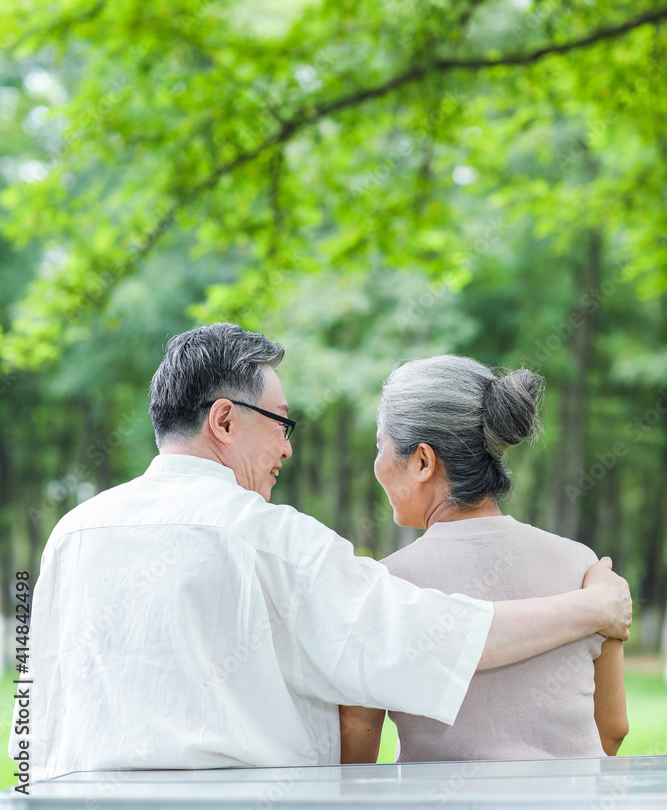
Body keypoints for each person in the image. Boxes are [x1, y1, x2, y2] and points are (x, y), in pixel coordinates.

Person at [11, 325, 631, 782]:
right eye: (281, 423)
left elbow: (31, 705)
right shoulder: (273, 540)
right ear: (224, 421)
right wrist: (594, 608)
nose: (286, 448)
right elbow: (441, 636)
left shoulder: (72, 533)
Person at [339, 355, 629, 763]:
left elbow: (356, 748)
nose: (378, 463)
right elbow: (613, 731)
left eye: (380, 445)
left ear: (422, 461)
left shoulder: (383, 584)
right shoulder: (585, 568)